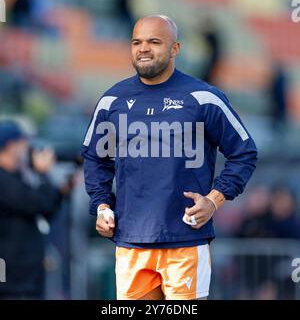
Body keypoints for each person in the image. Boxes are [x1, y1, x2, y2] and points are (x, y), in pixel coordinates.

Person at [81, 15, 258, 300]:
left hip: (185, 238)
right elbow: (95, 159)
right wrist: (101, 205)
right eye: (137, 42)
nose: (144, 49)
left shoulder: (204, 97)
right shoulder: (111, 101)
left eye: (154, 41)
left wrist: (214, 200)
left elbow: (244, 152)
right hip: (130, 242)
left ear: (175, 48)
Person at [0, 121, 62, 299]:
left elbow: (44, 209)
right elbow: (37, 202)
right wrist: (43, 174)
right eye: (23, 143)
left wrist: (60, 192)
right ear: (10, 146)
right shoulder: (4, 181)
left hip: (25, 279)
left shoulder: (18, 177)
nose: (28, 149)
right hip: (10, 284)